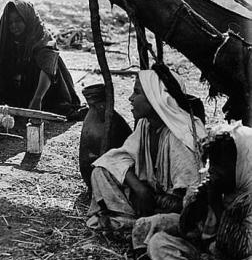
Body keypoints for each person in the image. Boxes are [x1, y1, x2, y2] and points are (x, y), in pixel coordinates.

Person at [136, 123, 252, 260]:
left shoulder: (247, 195)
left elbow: (238, 249)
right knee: (159, 243)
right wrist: (197, 204)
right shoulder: (219, 187)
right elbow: (189, 231)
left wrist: (216, 205)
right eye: (211, 164)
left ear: (241, 163)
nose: (213, 171)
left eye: (220, 165)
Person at [86, 69, 205, 231]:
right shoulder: (146, 124)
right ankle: (127, 218)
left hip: (175, 207)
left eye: (136, 92)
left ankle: (130, 224)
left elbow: (192, 196)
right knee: (101, 172)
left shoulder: (181, 135)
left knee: (170, 223)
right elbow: (118, 158)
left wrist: (159, 201)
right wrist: (139, 189)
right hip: (151, 195)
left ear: (156, 98)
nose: (131, 98)